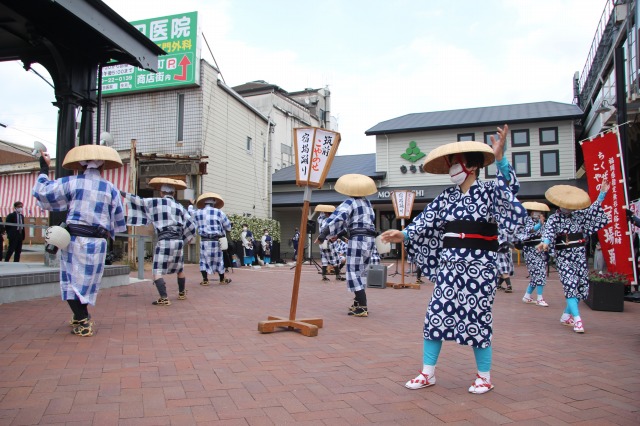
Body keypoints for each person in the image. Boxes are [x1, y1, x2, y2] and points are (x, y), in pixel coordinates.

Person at [381, 125, 526, 394]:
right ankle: (427, 373)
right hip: (449, 268)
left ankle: (484, 377)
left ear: (470, 166)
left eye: (454, 164)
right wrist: (404, 233)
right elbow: (426, 220)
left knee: (478, 317)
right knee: (435, 316)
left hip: (479, 268)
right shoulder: (446, 197)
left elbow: (512, 190)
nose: (451, 170)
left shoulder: (490, 192)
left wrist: (501, 158)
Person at [32, 145, 126, 337]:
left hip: (73, 239)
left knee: (70, 280)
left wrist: (43, 168)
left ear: (82, 167)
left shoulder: (73, 182)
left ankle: (83, 319)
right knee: (88, 282)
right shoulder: (111, 188)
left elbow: (44, 192)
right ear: (102, 168)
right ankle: (79, 315)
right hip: (98, 242)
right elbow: (118, 220)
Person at [537, 181, 609, 333]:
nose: (567, 207)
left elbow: (593, 211)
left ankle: (566, 316)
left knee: (583, 288)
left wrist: (602, 193)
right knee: (570, 285)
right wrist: (545, 242)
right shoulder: (554, 219)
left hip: (579, 256)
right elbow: (549, 232)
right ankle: (578, 320)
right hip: (564, 256)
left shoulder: (578, 215)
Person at [122, 178, 196, 305]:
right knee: (180, 269)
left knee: (157, 271)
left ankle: (164, 297)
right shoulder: (179, 207)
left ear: (162, 193)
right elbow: (191, 224)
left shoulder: (156, 202)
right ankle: (182, 293)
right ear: (173, 194)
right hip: (178, 241)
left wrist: (123, 193)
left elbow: (139, 201)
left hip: (164, 239)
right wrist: (187, 238)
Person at [317, 174, 381, 317]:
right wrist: (338, 236)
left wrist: (324, 234)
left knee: (352, 270)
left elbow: (337, 218)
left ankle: (362, 305)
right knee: (361, 271)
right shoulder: (368, 204)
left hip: (358, 239)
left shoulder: (350, 202)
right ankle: (357, 303)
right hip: (369, 240)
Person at [188, 192, 232, 286]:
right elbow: (228, 227)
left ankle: (205, 279)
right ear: (214, 203)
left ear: (204, 203)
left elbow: (190, 215)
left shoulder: (198, 212)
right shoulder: (219, 212)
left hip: (204, 240)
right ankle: (222, 279)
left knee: (203, 260)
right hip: (216, 241)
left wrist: (191, 205)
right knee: (219, 260)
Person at [517, 202, 550, 306]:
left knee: (536, 274)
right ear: (530, 212)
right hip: (530, 249)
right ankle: (539, 298)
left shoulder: (542, 222)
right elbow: (529, 231)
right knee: (539, 273)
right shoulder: (526, 220)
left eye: (539, 212)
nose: (537, 214)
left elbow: (546, 234)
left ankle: (527, 296)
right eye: (535, 212)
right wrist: (539, 224)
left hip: (539, 249)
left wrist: (545, 243)